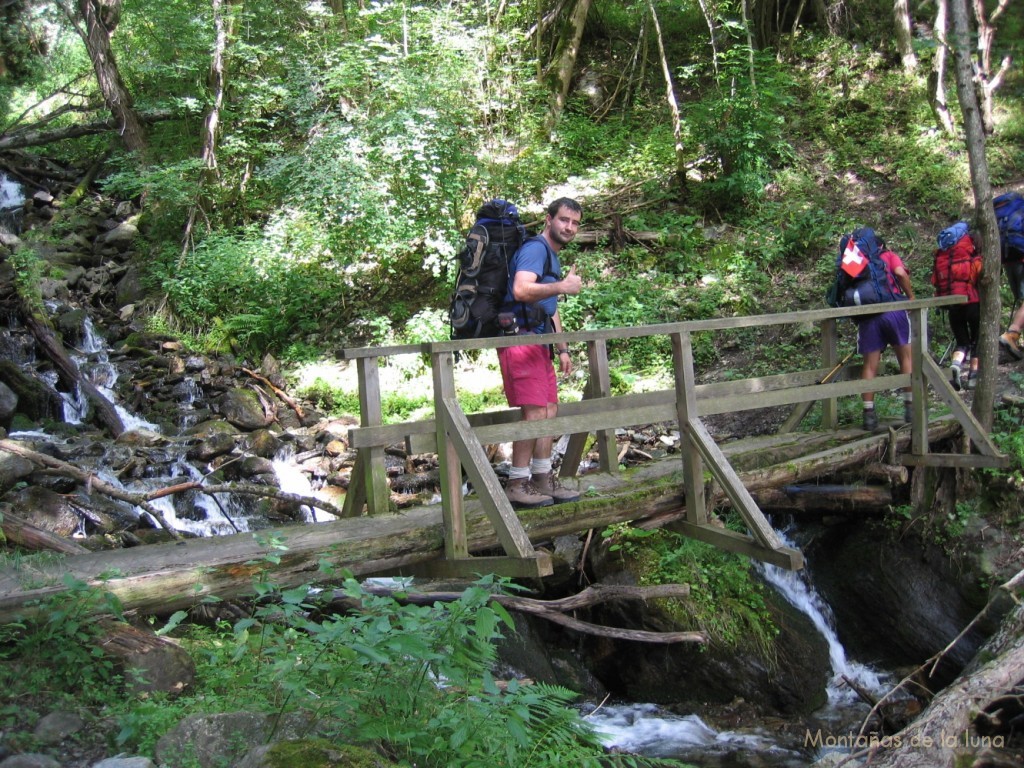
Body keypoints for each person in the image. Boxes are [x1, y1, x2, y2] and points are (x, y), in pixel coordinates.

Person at [498, 197, 584, 508]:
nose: (569, 227)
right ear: (549, 220)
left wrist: (562, 348)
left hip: (540, 342)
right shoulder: (535, 249)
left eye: (574, 223)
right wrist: (562, 286)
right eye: (564, 220)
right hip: (519, 341)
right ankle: (517, 483)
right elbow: (522, 289)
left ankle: (542, 478)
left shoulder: (552, 256)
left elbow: (550, 308)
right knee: (534, 412)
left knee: (549, 410)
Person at [848, 231, 915, 431]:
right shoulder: (888, 256)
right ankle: (910, 408)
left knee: (869, 366)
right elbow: (901, 273)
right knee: (906, 358)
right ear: (881, 245)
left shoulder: (856, 262)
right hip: (894, 312)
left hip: (868, 317)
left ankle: (869, 415)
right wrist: (911, 296)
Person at [931, 225, 982, 390]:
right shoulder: (969, 252)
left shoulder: (944, 255)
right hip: (972, 302)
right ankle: (973, 376)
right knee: (977, 341)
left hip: (952, 304)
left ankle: (956, 365)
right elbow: (977, 273)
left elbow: (934, 281)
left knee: (962, 342)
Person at [999, 245, 1024, 360]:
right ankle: (1012, 334)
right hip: (1021, 263)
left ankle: (1012, 336)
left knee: (1021, 302)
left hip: (1009, 263)